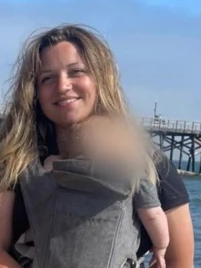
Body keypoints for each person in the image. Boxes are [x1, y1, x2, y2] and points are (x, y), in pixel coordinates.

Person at [0, 25, 195, 268]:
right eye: (47, 78)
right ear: (34, 91)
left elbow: (179, 260)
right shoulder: (14, 161)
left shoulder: (146, 162)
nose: (62, 86)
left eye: (76, 72)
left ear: (101, 79)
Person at [39, 114, 170, 268]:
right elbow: (153, 215)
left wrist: (53, 162)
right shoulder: (133, 175)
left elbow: (42, 184)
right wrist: (161, 246)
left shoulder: (62, 170)